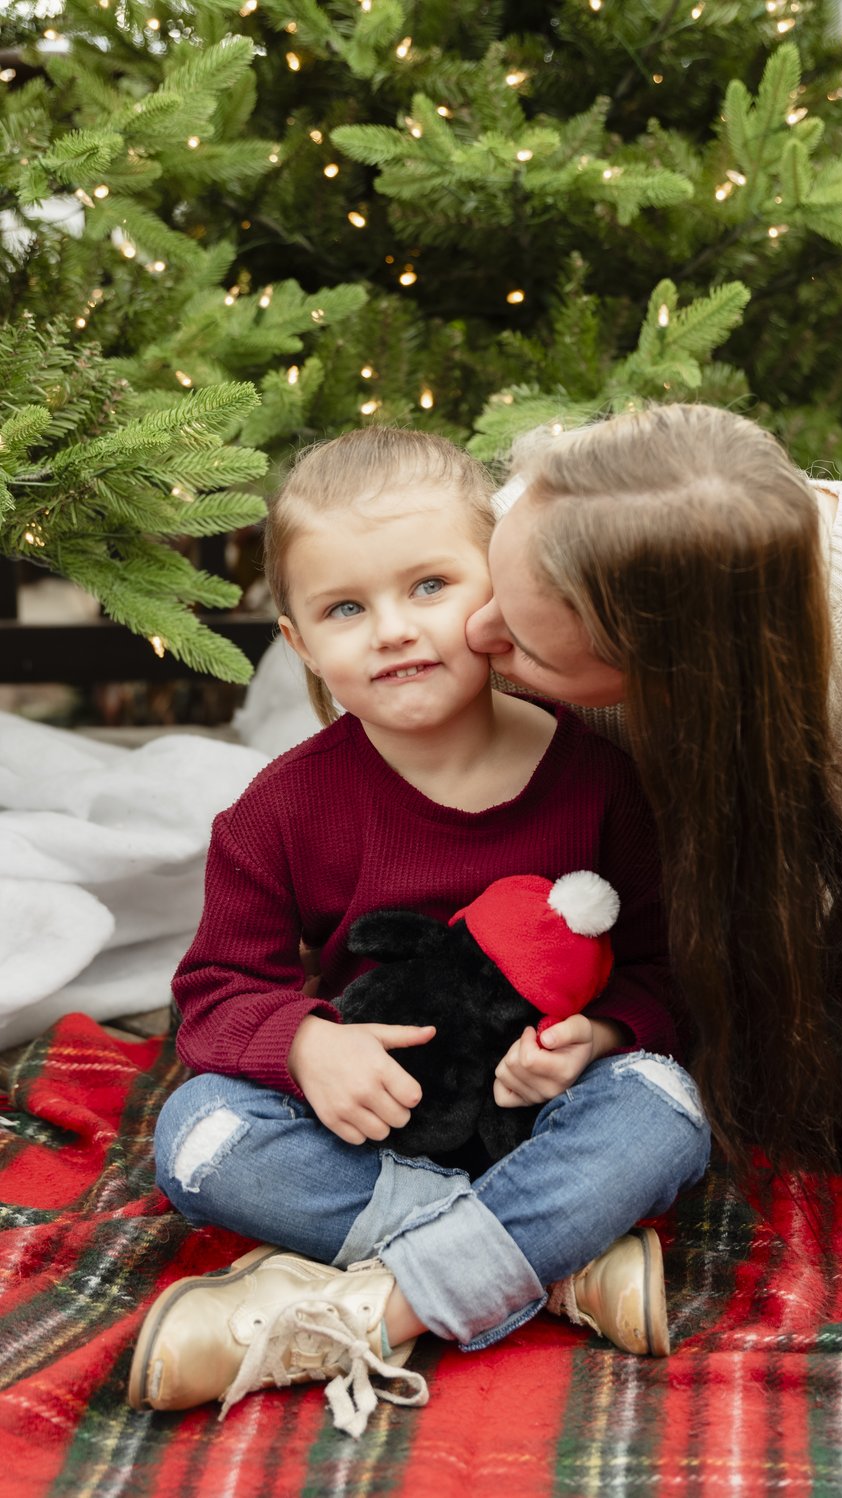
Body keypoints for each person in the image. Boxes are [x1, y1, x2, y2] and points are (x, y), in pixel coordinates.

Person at [128, 428, 710, 1438]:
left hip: (551, 1121)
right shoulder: (281, 811)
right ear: (300, 642)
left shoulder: (602, 780)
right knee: (200, 1135)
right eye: (346, 608)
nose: (393, 629)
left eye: (430, 585)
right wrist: (307, 1044)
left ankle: (376, 1301)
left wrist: (602, 1035)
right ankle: (561, 1264)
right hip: (375, 1141)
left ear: (499, 594)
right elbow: (217, 995)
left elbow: (664, 973)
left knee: (663, 1104)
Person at [465, 401, 842, 1189]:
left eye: (526, 644)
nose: (479, 632)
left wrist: (745, 1011)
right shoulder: (557, 517)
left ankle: (830, 1039)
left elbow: (811, 876)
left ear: (674, 675)